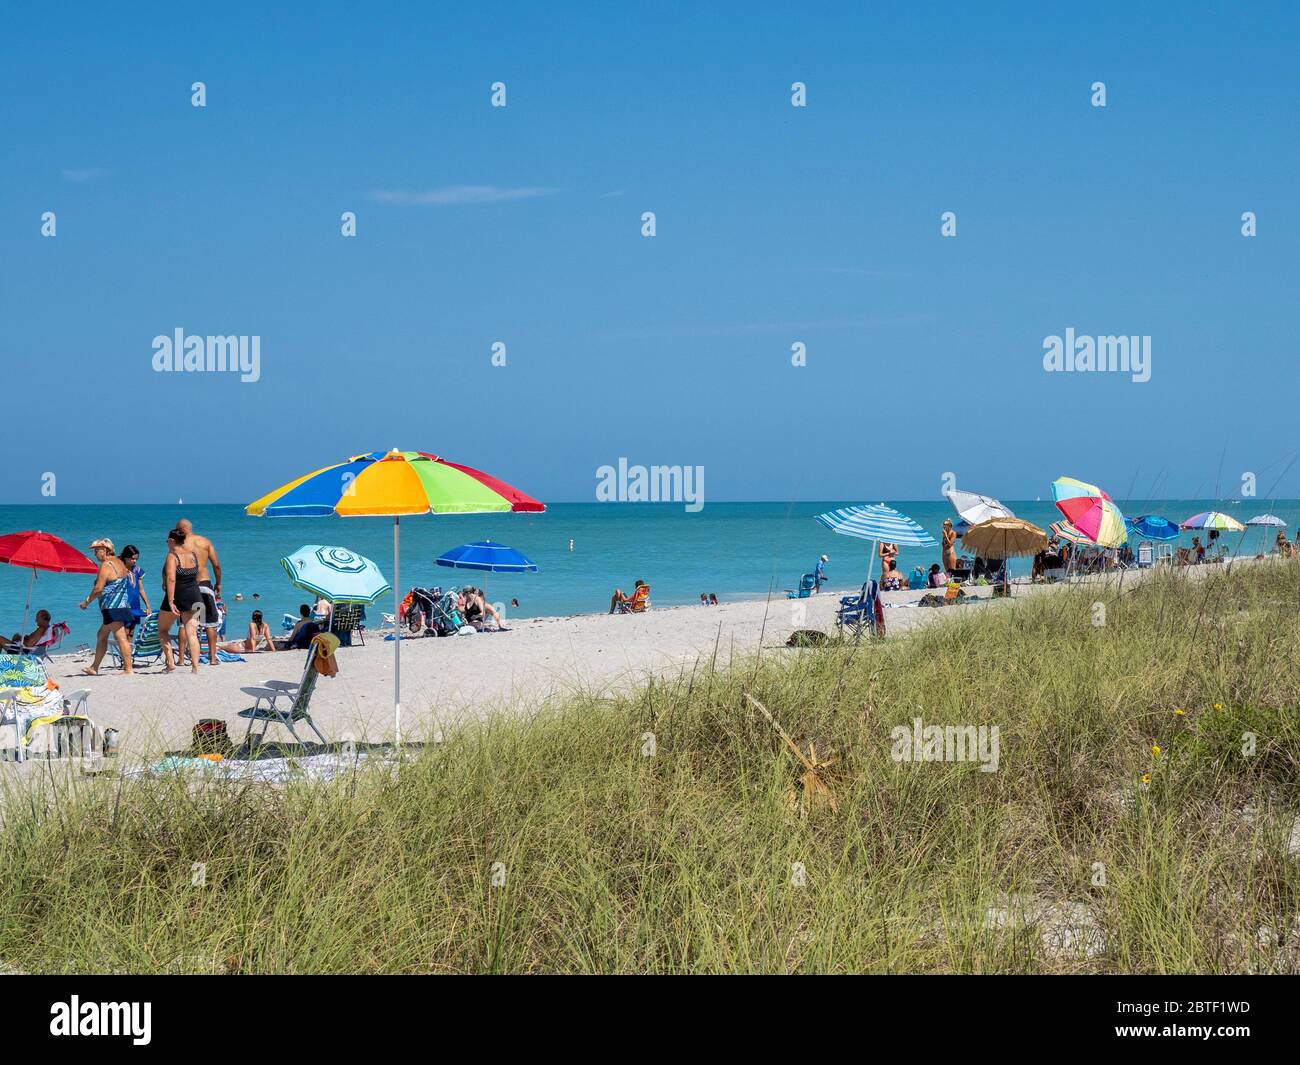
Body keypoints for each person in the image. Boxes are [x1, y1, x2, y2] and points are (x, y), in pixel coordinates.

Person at [79, 538, 133, 675]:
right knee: (101, 635)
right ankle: (94, 668)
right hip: (121, 604)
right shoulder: (120, 563)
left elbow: (98, 589)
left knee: (120, 636)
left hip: (112, 606)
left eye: (97, 550)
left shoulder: (106, 565)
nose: (95, 554)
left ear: (106, 550)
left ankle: (128, 669)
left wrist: (86, 601)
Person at [177, 517, 222, 667]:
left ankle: (182, 659)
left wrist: (167, 584)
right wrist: (218, 583)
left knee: (185, 624)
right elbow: (216, 565)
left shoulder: (179, 543)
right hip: (205, 583)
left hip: (187, 585)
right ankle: (213, 658)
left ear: (181, 529)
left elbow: (171, 565)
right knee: (210, 623)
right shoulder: (205, 541)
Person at [158, 527, 203, 674]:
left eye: (167, 541)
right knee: (192, 633)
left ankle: (170, 663)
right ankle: (195, 667)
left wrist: (171, 601)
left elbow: (171, 579)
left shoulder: (172, 556)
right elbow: (196, 575)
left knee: (163, 629)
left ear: (172, 541)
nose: (167, 544)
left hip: (178, 596)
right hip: (195, 595)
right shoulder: (193, 555)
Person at [120, 544, 151, 632]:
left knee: (131, 632)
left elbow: (141, 589)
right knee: (124, 632)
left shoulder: (137, 570)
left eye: (136, 559)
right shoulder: (119, 570)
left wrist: (147, 605)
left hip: (135, 605)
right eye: (132, 558)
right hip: (123, 605)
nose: (134, 561)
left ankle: (130, 646)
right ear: (126, 557)